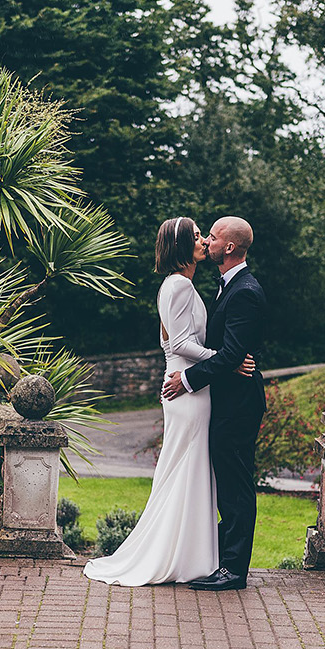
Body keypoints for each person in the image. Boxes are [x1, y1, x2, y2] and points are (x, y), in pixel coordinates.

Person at [83, 216, 254, 587]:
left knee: (188, 470)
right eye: (195, 236)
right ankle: (179, 556)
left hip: (191, 386)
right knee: (185, 467)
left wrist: (216, 361)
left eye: (204, 235)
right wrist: (223, 359)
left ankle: (192, 555)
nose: (202, 240)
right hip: (184, 388)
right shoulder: (177, 285)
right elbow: (177, 344)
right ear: (180, 246)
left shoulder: (186, 285)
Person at [162, 216, 267, 591]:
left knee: (236, 485)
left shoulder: (245, 291)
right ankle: (219, 559)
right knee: (225, 483)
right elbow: (226, 351)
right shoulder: (226, 286)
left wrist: (188, 380)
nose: (206, 240)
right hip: (225, 400)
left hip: (239, 404)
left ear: (230, 248)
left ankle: (234, 570)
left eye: (213, 236)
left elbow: (231, 354)